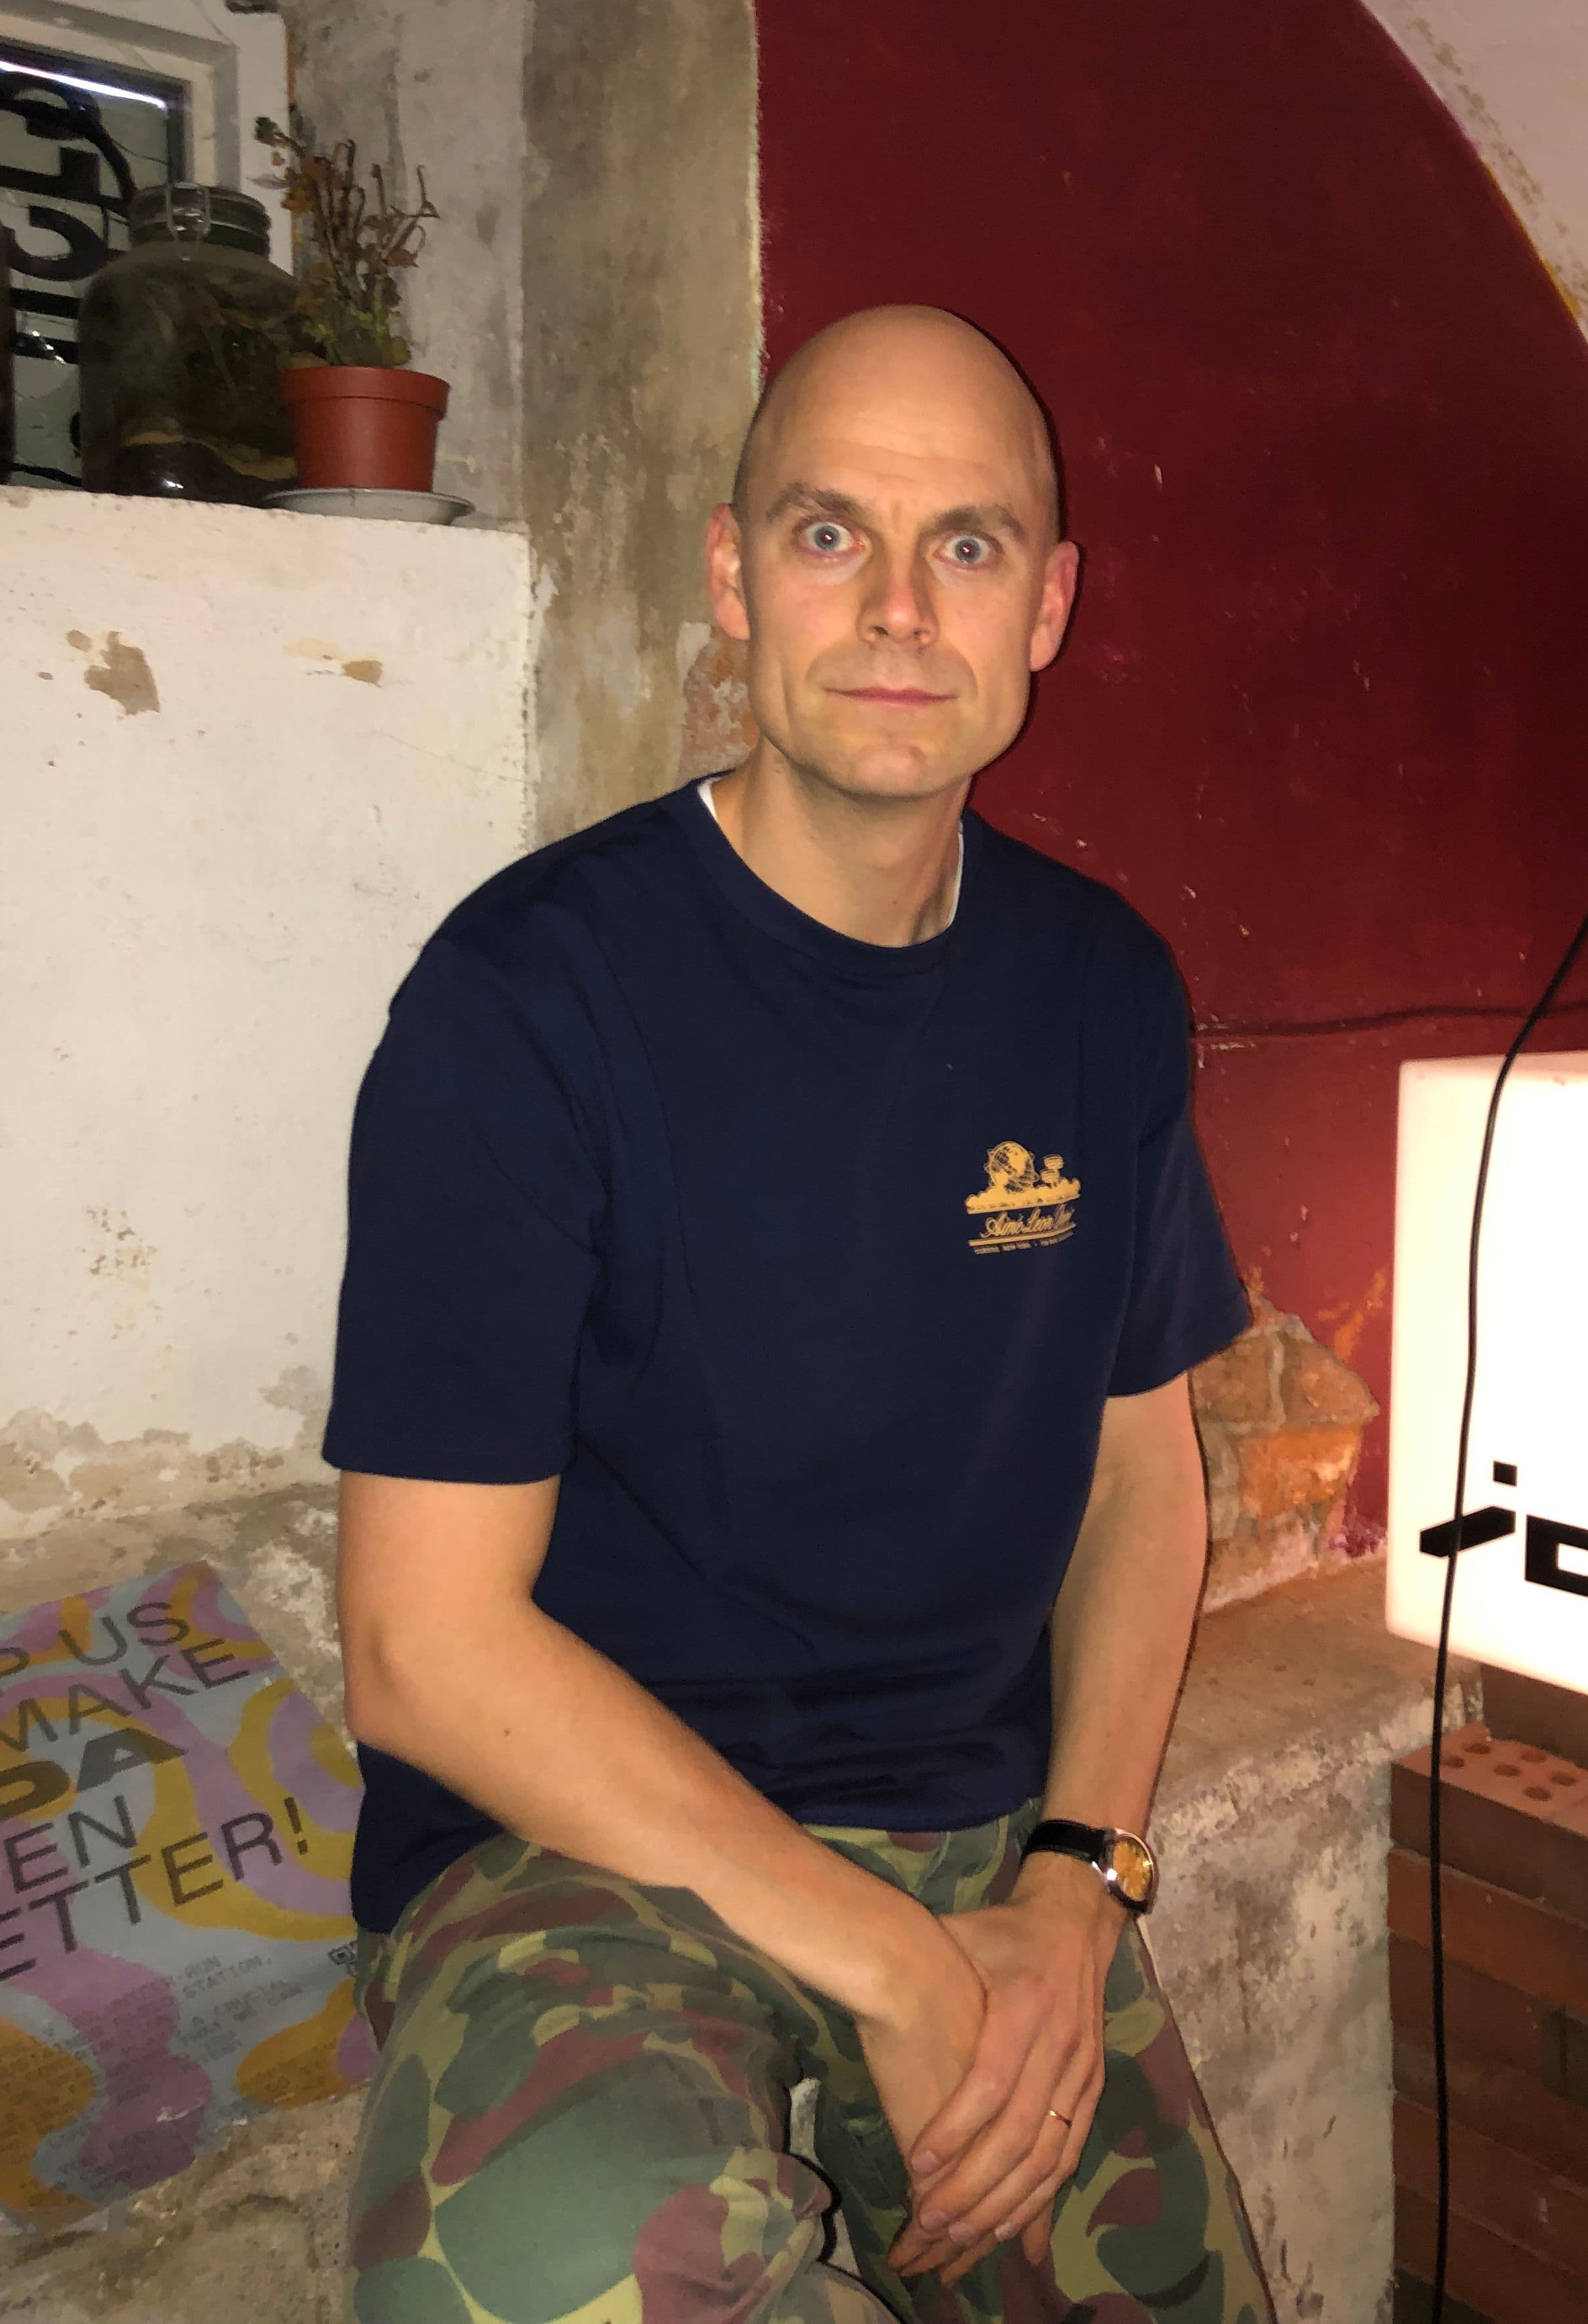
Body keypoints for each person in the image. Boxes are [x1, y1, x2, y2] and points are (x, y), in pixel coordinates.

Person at [325, 306, 1271, 2324]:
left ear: (1049, 607)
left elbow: (1142, 1481)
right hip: (581, 1851)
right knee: (550, 2283)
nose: (901, 608)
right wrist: (885, 1963)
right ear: (734, 574)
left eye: (968, 546)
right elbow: (421, 1649)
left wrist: (1077, 1885)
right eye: (832, 533)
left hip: (989, 1843)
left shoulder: (1101, 988)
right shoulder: (525, 1005)